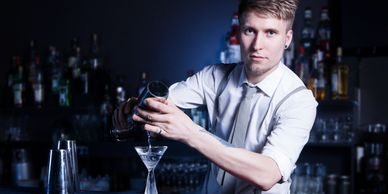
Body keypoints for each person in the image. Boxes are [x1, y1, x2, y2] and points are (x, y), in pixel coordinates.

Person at [113, 0, 317, 193]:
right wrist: (132, 115)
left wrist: (191, 133)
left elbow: (268, 174)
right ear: (239, 31)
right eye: (249, 31)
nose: (257, 45)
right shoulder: (214, 77)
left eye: (270, 33)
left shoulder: (298, 100)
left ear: (287, 38)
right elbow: (156, 106)